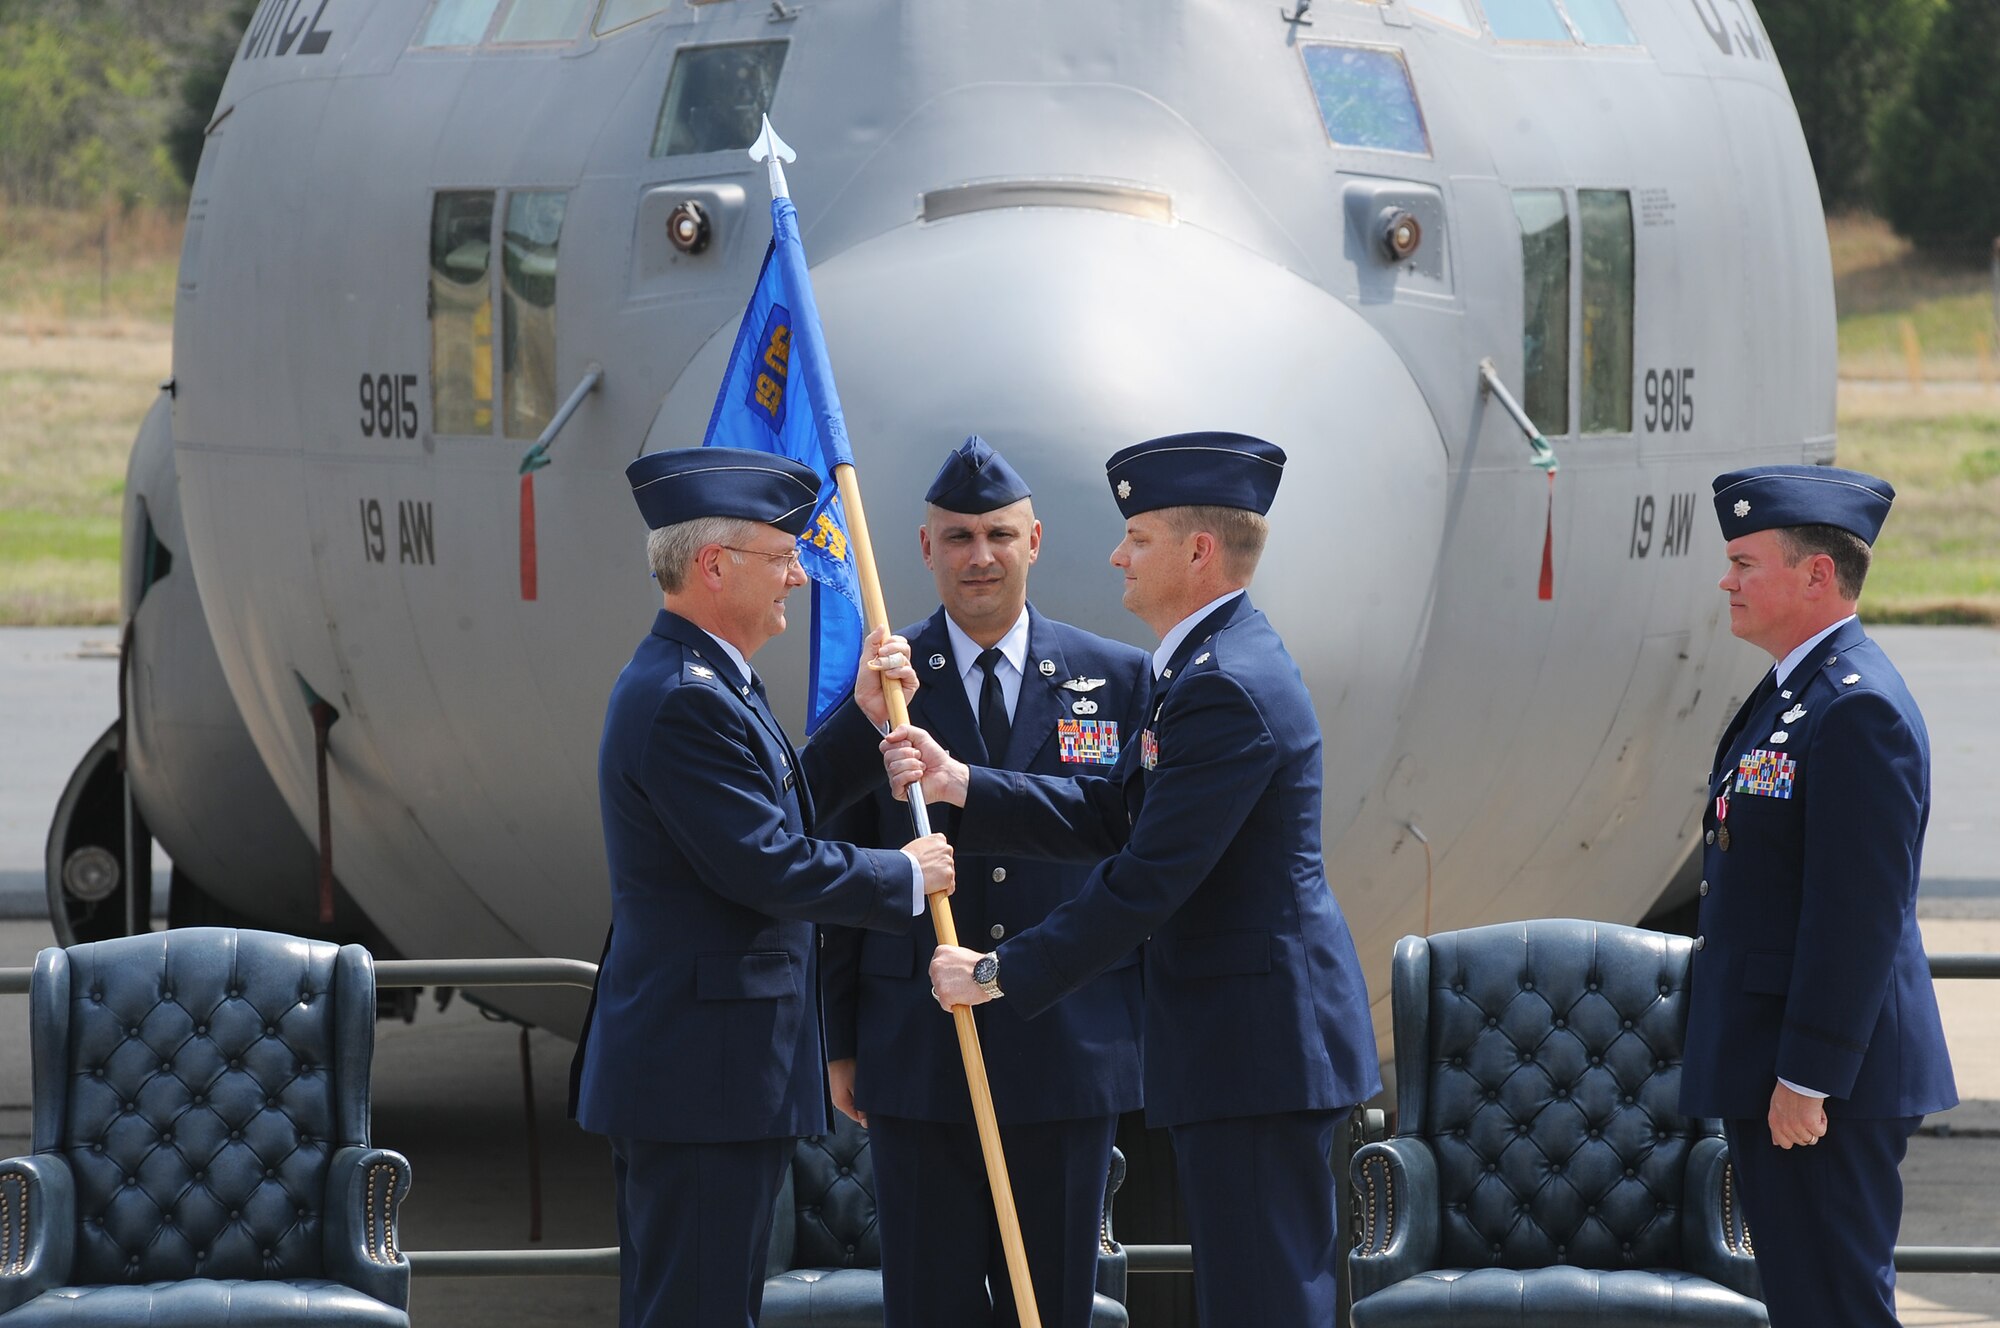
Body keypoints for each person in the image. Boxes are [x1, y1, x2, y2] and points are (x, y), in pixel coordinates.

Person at [885, 431, 1380, 1324]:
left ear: (1197, 552)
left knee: (1265, 1301)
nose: (1117, 553)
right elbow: (1117, 816)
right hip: (1240, 1050)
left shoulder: (1223, 685)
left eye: (1139, 538)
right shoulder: (1200, 666)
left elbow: (1147, 878)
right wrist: (964, 783)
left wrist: (997, 974)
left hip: (1258, 1051)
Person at [568, 445, 956, 1328]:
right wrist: (902, 875)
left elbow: (776, 812)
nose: (795, 576)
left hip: (718, 1071)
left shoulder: (708, 683)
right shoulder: (685, 697)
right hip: (700, 1076)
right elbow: (765, 864)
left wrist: (861, 726)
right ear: (713, 566)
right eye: (780, 558)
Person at [815, 435, 1150, 1328]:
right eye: (957, 537)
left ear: (1034, 542)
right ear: (924, 550)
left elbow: (1139, 862)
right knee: (929, 1305)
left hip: (1065, 1046)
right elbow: (839, 872)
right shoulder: (880, 689)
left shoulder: (1117, 681)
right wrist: (840, 1037)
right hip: (918, 1050)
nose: (980, 556)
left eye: (999, 534)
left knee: (1052, 1306)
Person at [1680, 464, 1957, 1328]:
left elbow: (1857, 916)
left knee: (1835, 1306)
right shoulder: (1796, 693)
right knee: (1806, 1304)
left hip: (1825, 1084)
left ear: (1816, 575)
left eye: (1744, 561)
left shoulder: (1853, 708)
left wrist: (1808, 1077)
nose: (1727, 580)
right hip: (1781, 1067)